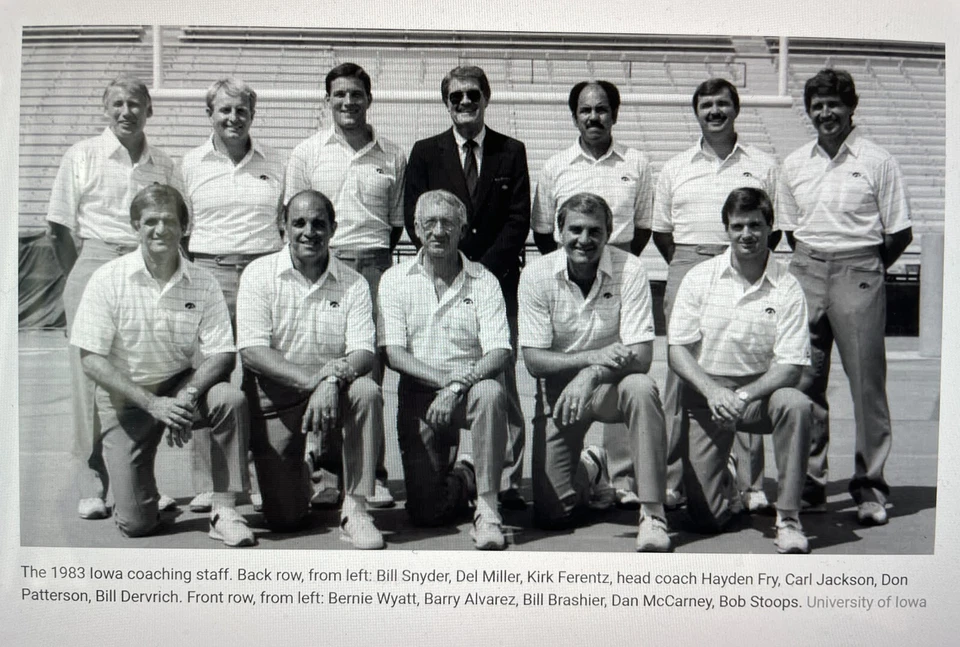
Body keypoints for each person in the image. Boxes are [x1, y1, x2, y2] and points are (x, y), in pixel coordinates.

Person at [69, 184, 253, 546]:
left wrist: (186, 396)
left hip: (179, 386)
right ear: (135, 225)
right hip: (126, 398)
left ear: (185, 227)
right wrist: (152, 404)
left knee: (229, 398)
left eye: (170, 221)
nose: (160, 230)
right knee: (137, 523)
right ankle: (143, 491)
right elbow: (90, 359)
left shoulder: (203, 281)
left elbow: (221, 353)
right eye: (150, 221)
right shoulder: (108, 278)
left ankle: (224, 510)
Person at [777, 69, 913, 526]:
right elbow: (790, 228)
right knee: (804, 382)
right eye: (817, 105)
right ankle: (811, 485)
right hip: (807, 267)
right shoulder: (795, 162)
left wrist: (865, 269)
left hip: (859, 269)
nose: (825, 113)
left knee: (866, 385)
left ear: (851, 107)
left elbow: (899, 232)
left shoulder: (878, 160)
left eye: (834, 104)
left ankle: (869, 486)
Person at [46, 75, 179, 520]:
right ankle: (92, 482)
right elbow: (59, 227)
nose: (127, 111)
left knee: (143, 372)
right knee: (89, 379)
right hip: (95, 263)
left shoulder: (163, 162)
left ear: (149, 110)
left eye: (135, 104)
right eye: (118, 104)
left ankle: (141, 480)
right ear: (106, 109)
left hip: (147, 269)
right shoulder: (82, 155)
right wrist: (80, 277)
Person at [404, 65, 530, 510]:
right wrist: (453, 265)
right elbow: (411, 216)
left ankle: (506, 476)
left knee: (500, 378)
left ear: (486, 98)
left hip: (495, 281)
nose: (464, 103)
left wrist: (480, 271)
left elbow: (518, 220)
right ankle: (458, 466)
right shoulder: (424, 152)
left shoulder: (511, 151)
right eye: (455, 97)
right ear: (446, 103)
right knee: (442, 361)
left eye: (472, 95)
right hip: (441, 277)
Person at [652, 78, 781, 512]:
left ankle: (751, 483)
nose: (714, 111)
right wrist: (696, 263)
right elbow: (662, 233)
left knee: (747, 365)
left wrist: (741, 261)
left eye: (722, 103)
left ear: (736, 109)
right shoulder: (675, 166)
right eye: (706, 104)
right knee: (679, 372)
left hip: (744, 264)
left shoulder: (762, 164)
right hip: (689, 262)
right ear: (696, 112)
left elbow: (773, 229)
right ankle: (672, 477)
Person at [519, 192, 670, 552]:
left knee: (641, 387)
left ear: (608, 233)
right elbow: (534, 361)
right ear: (558, 231)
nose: (584, 240)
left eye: (594, 231)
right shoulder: (537, 274)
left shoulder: (630, 267)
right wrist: (591, 360)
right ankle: (592, 466)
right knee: (552, 513)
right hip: (560, 389)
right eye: (575, 229)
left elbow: (642, 354)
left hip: (611, 383)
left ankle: (652, 512)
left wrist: (592, 372)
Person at [285, 63, 405, 509]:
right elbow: (297, 216)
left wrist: (368, 261)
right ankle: (324, 470)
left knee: (367, 373)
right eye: (339, 94)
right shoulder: (306, 152)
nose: (348, 102)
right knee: (321, 362)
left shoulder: (391, 155)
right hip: (321, 265)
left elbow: (395, 226)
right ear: (327, 99)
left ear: (369, 99)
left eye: (356, 94)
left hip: (372, 266)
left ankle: (370, 471)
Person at [236, 190, 385, 549]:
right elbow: (253, 352)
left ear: (334, 229)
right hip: (279, 391)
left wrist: (331, 380)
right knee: (285, 518)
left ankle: (356, 510)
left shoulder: (354, 282)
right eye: (298, 222)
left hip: (336, 389)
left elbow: (364, 351)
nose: (309, 232)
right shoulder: (259, 274)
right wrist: (314, 382)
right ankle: (301, 470)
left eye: (319, 223)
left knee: (367, 392)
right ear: (283, 227)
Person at [668, 187, 813, 553]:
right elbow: (677, 351)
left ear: (770, 229)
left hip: (759, 394)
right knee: (705, 520)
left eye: (755, 225)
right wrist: (713, 391)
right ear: (726, 230)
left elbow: (791, 365)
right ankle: (728, 476)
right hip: (709, 393)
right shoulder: (700, 277)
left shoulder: (789, 285)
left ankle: (789, 517)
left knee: (795, 403)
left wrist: (743, 395)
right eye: (737, 226)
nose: (746, 234)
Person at [532, 80, 655, 508]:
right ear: (575, 116)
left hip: (618, 273)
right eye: (585, 110)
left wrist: (615, 267)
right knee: (551, 507)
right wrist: (578, 262)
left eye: (602, 109)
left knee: (632, 378)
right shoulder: (555, 166)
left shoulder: (637, 163)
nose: (594, 117)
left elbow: (642, 228)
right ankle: (592, 466)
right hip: (571, 276)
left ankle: (626, 478)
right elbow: (546, 229)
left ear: (614, 114)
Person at [379, 190, 511, 550]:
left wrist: (457, 387)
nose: (439, 231)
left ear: (463, 228)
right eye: (430, 223)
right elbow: (394, 353)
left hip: (470, 390)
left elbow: (499, 351)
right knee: (425, 512)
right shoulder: (394, 280)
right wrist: (444, 383)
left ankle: (487, 508)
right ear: (416, 230)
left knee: (491, 392)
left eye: (448, 223)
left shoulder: (484, 280)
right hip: (421, 394)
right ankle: (466, 476)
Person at [178, 78, 285, 513]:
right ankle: (210, 480)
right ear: (210, 115)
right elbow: (181, 229)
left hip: (263, 275)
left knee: (263, 376)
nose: (233, 118)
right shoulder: (189, 164)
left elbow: (288, 223)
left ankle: (265, 476)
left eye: (241, 110)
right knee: (210, 376)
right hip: (208, 273)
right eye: (224, 110)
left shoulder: (276, 162)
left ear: (252, 115)